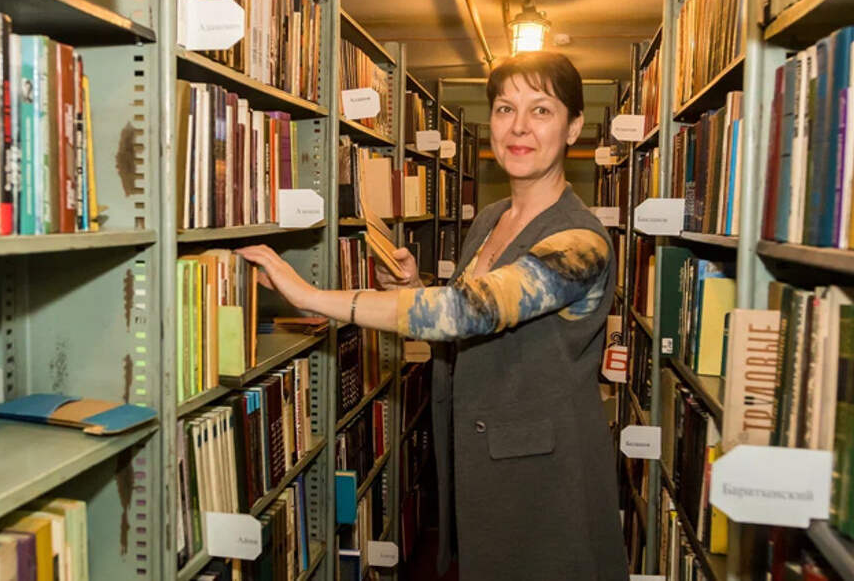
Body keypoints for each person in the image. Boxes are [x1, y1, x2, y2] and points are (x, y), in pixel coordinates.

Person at [238, 51, 628, 580]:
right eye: (505, 109)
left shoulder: (582, 241)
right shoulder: (491, 219)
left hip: (549, 478)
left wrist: (312, 297)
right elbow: (478, 321)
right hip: (483, 459)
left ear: (573, 127)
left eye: (541, 110)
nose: (518, 127)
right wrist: (415, 290)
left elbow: (470, 310)